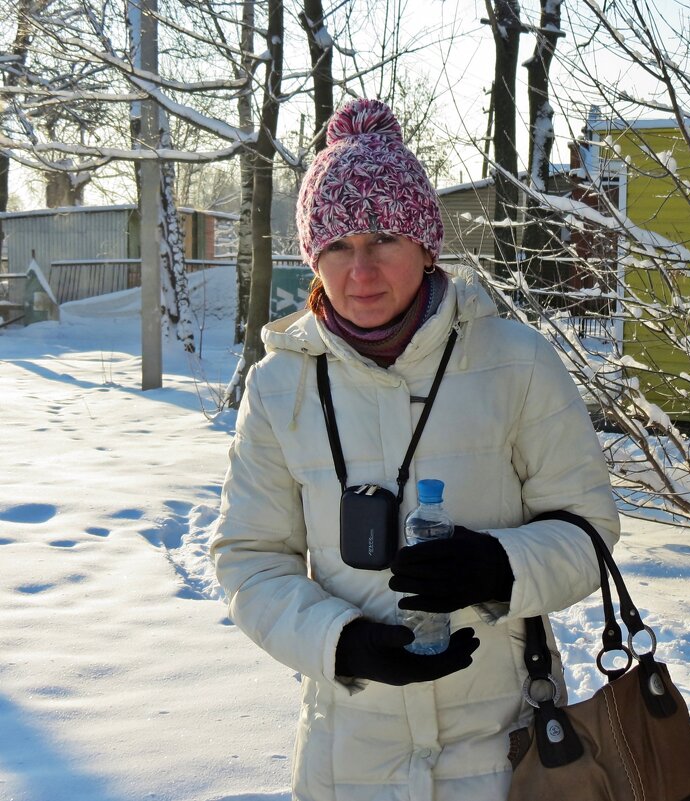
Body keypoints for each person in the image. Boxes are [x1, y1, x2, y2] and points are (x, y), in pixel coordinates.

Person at [211, 98, 620, 801]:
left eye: (382, 240)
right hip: (348, 761)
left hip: (507, 755)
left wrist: (498, 565)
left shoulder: (515, 361)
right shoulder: (280, 386)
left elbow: (591, 531)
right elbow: (249, 559)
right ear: (312, 256)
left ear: (427, 244)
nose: (359, 270)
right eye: (336, 246)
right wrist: (342, 643)